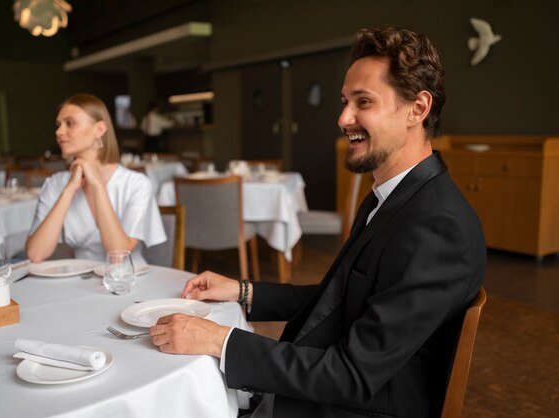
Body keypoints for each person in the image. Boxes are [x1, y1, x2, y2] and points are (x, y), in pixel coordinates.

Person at [149, 26, 487, 418]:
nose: (344, 118)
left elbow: (352, 376)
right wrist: (242, 291)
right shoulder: (397, 196)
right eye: (345, 101)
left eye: (364, 102)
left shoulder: (439, 226)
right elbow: (344, 298)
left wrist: (221, 341)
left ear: (418, 108)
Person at [26, 93, 166, 266]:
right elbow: (36, 254)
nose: (59, 131)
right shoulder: (56, 183)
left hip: (128, 281)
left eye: (69, 123)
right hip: (78, 280)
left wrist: (98, 186)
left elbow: (118, 255)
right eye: (59, 125)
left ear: (99, 129)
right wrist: (69, 190)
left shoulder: (137, 184)